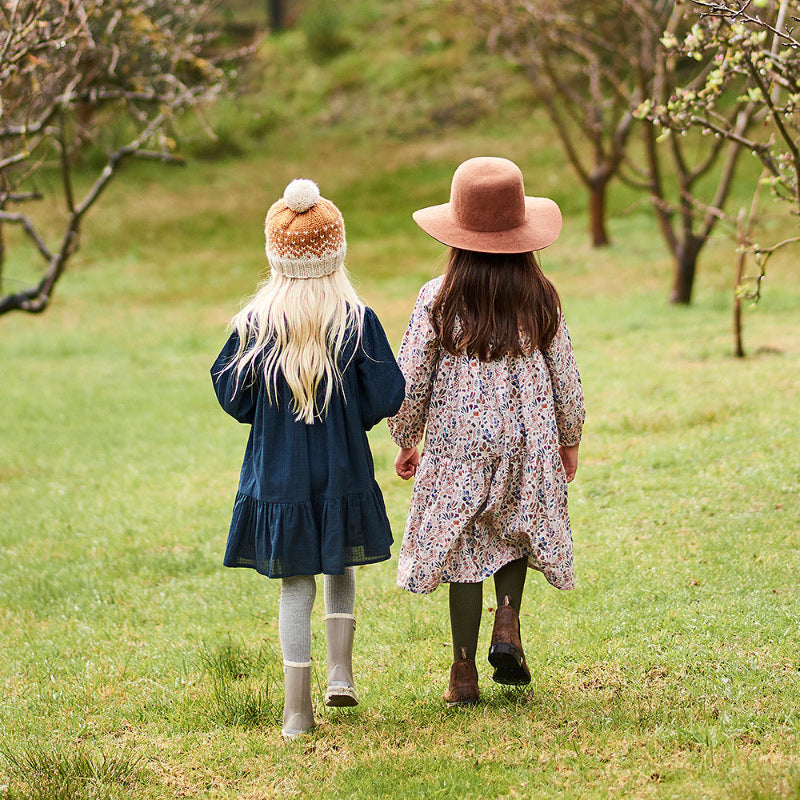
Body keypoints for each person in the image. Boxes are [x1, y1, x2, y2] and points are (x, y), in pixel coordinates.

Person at [211, 178, 405, 738]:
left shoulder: (255, 324)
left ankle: (298, 712)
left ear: (275, 257)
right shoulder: (355, 318)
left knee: (295, 582)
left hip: (279, 473)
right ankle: (340, 673)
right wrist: (350, 420)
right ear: (336, 253)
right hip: (341, 463)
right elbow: (387, 393)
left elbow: (232, 395)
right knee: (340, 559)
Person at [388, 156, 585, 704]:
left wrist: (406, 435)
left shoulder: (439, 296)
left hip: (458, 443)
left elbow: (412, 374)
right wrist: (568, 437)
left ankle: (463, 672)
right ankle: (508, 621)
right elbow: (563, 372)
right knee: (517, 526)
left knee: (465, 548)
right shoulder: (540, 296)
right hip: (528, 436)